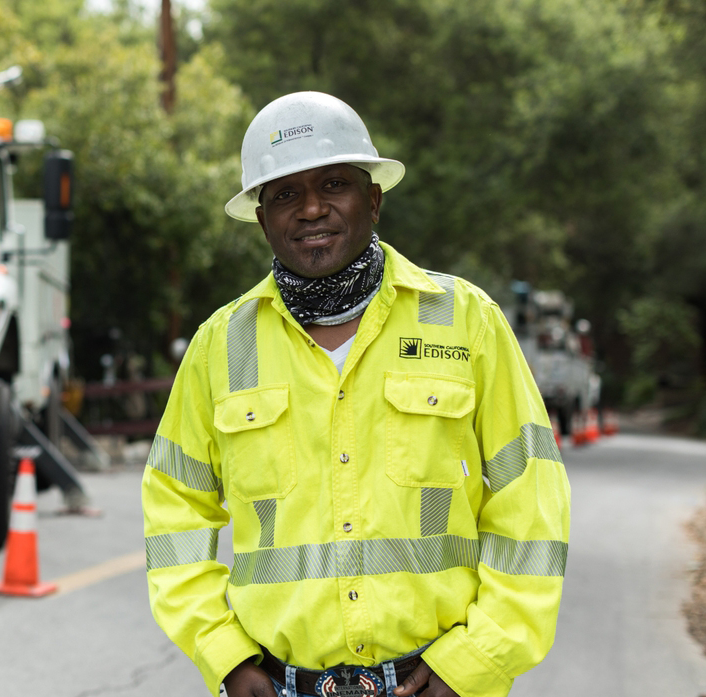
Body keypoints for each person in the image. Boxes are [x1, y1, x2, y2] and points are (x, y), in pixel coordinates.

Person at [141, 92, 570, 697]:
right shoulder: (220, 346)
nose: (311, 209)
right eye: (285, 194)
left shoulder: (466, 320)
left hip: (439, 681)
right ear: (262, 217)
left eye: (333, 184)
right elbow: (173, 510)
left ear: (372, 199)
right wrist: (224, 655)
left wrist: (480, 660)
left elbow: (532, 502)